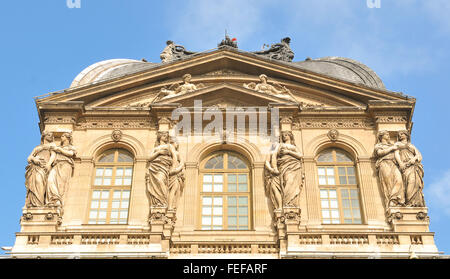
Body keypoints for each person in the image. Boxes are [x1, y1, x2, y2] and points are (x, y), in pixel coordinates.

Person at [269, 131, 303, 208]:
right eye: (283, 135)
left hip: (294, 166)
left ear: (290, 136)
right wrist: (274, 168)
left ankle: (290, 203)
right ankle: (286, 203)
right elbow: (274, 156)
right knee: (287, 181)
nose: (284, 136)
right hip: (283, 166)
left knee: (291, 182)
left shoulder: (293, 147)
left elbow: (300, 155)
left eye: (286, 135)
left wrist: (288, 152)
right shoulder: (279, 145)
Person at [46, 132, 77, 213]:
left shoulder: (71, 147)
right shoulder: (58, 147)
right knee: (50, 180)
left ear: (68, 138)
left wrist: (59, 150)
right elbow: (53, 156)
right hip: (56, 165)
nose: (61, 137)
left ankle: (58, 202)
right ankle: (53, 199)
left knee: (61, 184)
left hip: (65, 164)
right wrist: (49, 164)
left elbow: (71, 153)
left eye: (63, 136)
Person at [25, 131, 56, 207]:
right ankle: (34, 203)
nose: (51, 136)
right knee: (34, 183)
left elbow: (53, 155)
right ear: (44, 136)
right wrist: (34, 159)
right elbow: (29, 158)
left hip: (44, 167)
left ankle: (39, 203)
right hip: (35, 166)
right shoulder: (37, 147)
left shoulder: (52, 145)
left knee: (40, 182)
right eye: (49, 135)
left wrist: (49, 164)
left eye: (51, 135)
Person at [374, 130, 404, 208]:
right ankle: (392, 202)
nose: (388, 135)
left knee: (399, 180)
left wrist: (400, 163)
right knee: (389, 183)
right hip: (384, 163)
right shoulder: (379, 145)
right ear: (381, 136)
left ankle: (395, 199)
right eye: (386, 134)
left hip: (393, 164)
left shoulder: (392, 145)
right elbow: (379, 153)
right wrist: (391, 149)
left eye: (388, 134)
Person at [394, 130, 425, 207]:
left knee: (414, 183)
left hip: (414, 166)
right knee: (408, 183)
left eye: (402, 134)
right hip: (404, 166)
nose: (400, 135)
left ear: (406, 135)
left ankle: (414, 202)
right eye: (399, 134)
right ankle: (409, 202)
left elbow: (419, 155)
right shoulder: (397, 144)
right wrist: (400, 163)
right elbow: (396, 154)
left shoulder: (412, 146)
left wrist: (413, 160)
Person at [146, 131, 177, 207]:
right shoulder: (156, 148)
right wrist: (159, 152)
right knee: (156, 183)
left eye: (166, 136)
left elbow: (174, 157)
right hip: (154, 167)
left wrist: (173, 167)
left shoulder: (170, 146)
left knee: (160, 181)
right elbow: (149, 158)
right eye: (164, 135)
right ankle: (158, 202)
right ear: (160, 137)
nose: (166, 137)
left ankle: (163, 201)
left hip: (164, 167)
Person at [167, 137, 185, 211]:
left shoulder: (177, 153)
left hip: (175, 174)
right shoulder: (168, 154)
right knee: (168, 191)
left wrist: (177, 170)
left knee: (174, 190)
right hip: (169, 173)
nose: (172, 145)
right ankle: (168, 206)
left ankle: (170, 206)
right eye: (170, 143)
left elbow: (182, 163)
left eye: (173, 143)